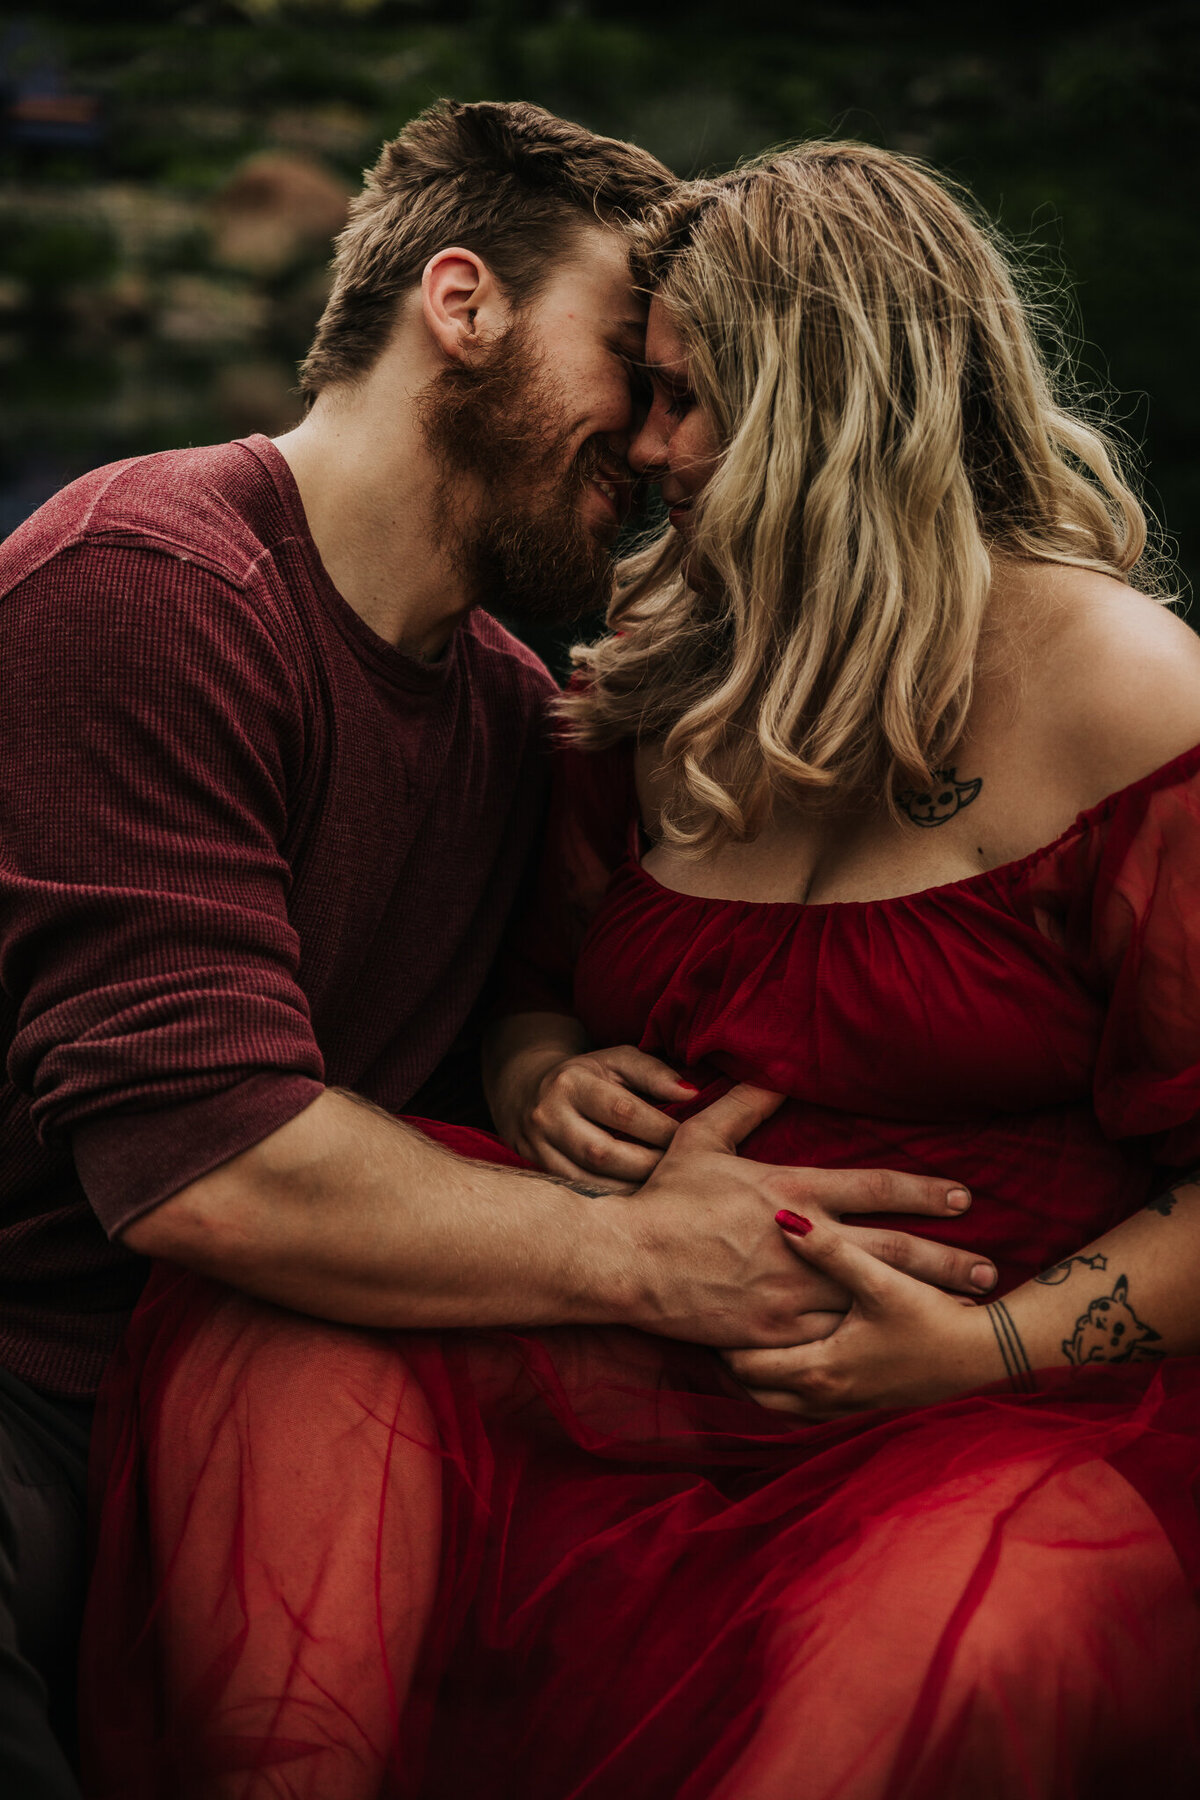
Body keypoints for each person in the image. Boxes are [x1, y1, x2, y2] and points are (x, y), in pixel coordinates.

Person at [85, 137, 1200, 1798]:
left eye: (694, 399)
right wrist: (544, 1075)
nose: (652, 447)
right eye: (649, 389)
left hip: (986, 1399)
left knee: (968, 1624)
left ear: (838, 405)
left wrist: (987, 1352)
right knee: (283, 1327)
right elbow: (533, 989)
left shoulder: (1126, 692)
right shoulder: (655, 680)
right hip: (640, 1345)